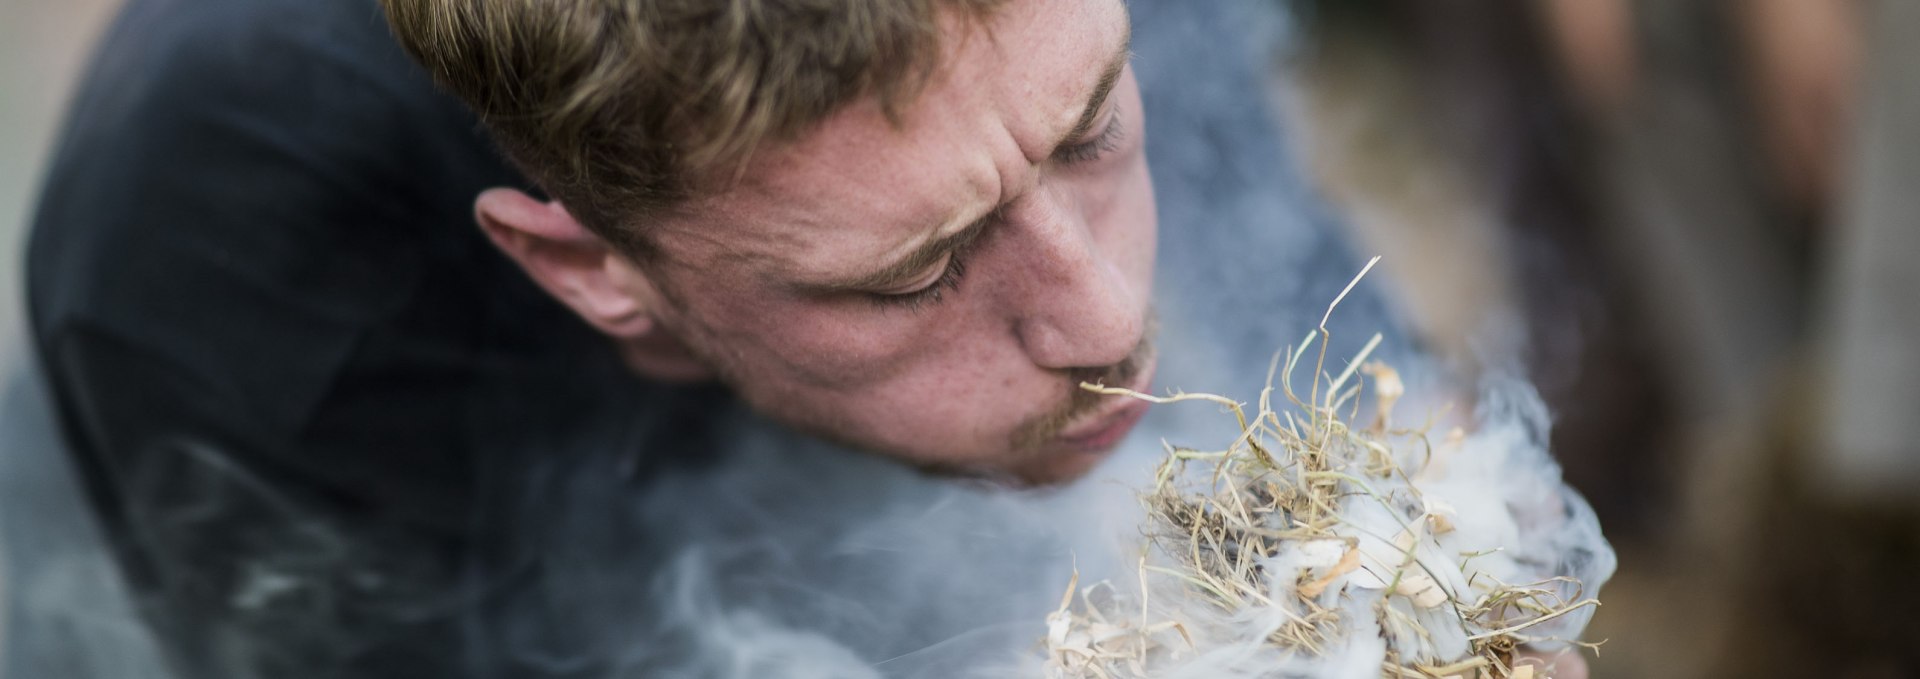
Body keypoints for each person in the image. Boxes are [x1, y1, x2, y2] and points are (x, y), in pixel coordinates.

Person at [12, 0, 1586, 676]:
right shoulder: (231, 265)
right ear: (590, 271)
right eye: (918, 271)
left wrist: (1423, 558)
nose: (1113, 321)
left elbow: (1362, 379)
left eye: (1094, 135)